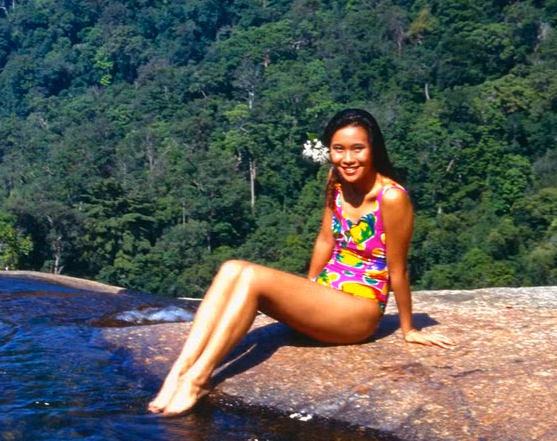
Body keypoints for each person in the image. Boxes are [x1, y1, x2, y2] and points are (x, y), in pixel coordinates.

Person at [148, 108, 455, 416]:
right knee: (231, 268)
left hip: (359, 311)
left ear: (374, 149)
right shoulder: (336, 181)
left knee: (253, 277)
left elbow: (397, 267)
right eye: (339, 149)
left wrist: (409, 329)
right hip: (328, 297)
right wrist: (308, 289)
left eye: (357, 149)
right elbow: (325, 238)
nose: (348, 159)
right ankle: (180, 371)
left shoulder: (391, 197)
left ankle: (199, 379)